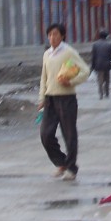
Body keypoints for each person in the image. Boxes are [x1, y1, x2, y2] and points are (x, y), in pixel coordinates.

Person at [37, 23, 90, 181]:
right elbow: (43, 77)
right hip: (50, 99)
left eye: (55, 34)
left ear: (62, 36)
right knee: (45, 134)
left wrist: (72, 82)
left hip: (66, 99)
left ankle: (71, 168)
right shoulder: (47, 54)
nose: (52, 38)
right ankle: (61, 162)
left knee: (69, 134)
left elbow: (85, 71)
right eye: (50, 35)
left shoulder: (69, 52)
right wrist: (41, 98)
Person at [90, 30, 111, 100]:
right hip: (107, 65)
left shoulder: (95, 45)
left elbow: (93, 56)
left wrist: (92, 66)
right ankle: (107, 93)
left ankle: (101, 94)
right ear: (106, 37)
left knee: (100, 80)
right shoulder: (109, 44)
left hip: (98, 65)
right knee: (107, 80)